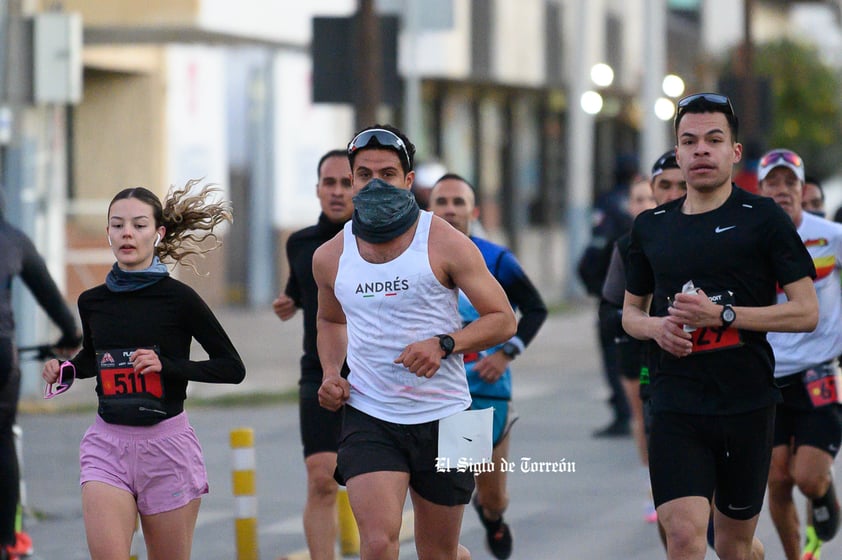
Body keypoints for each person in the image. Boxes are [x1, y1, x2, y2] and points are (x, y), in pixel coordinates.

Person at [623, 92, 819, 560]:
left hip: (745, 404)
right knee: (686, 538)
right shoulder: (650, 227)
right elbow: (630, 314)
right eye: (689, 142)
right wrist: (656, 329)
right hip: (675, 404)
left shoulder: (764, 220)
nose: (701, 150)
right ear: (677, 152)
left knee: (733, 546)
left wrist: (724, 316)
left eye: (714, 140)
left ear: (734, 152)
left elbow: (805, 311)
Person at [313, 124, 516, 560]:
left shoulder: (446, 241)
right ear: (351, 180)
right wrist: (332, 372)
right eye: (364, 175)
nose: (375, 184)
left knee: (439, 552)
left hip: (453, 413)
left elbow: (503, 320)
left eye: (388, 173)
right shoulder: (330, 255)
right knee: (378, 544)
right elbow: (331, 321)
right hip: (371, 413)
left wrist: (444, 343)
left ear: (409, 181)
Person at [40, 183, 245, 560]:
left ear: (158, 232)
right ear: (108, 233)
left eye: (138, 225)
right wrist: (64, 369)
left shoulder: (180, 299)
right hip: (107, 445)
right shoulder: (92, 301)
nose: (127, 234)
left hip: (167, 448)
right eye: (117, 226)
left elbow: (232, 368)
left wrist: (165, 366)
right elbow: (94, 358)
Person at [429, 173, 547, 559]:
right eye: (441, 201)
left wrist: (505, 353)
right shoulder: (413, 258)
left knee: (492, 495)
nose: (449, 209)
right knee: (451, 503)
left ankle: (493, 517)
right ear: (428, 209)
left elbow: (535, 309)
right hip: (438, 397)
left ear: (473, 211)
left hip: (485, 391)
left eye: (458, 202)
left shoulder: (494, 258)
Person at [756, 149, 842, 560]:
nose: (782, 191)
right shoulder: (748, 239)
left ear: (802, 188)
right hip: (766, 375)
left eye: (789, 183)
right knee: (777, 479)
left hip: (818, 372)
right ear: (760, 188)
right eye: (772, 183)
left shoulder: (829, 235)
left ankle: (823, 492)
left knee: (806, 477)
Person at [272, 149, 356, 560]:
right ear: (318, 188)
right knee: (322, 479)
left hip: (376, 372)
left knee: (370, 481)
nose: (337, 192)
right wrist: (290, 302)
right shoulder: (300, 243)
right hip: (318, 370)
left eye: (346, 182)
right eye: (330, 183)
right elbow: (305, 291)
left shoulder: (379, 240)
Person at [602, 151, 683, 527]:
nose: (670, 194)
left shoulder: (474, 257)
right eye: (662, 186)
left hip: (697, 356)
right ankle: (658, 491)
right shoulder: (628, 241)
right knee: (644, 417)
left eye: (678, 185)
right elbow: (610, 301)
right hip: (640, 345)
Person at [0, 201, 81, 560]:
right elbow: (52, 299)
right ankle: (8, 539)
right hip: (1, 353)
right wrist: (69, 334)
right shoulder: (13, 239)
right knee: (1, 435)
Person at [579, 154, 639, 437]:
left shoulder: (608, 203)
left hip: (612, 289)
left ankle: (624, 411)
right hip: (632, 288)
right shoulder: (638, 202)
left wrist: (591, 282)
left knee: (613, 353)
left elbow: (597, 246)